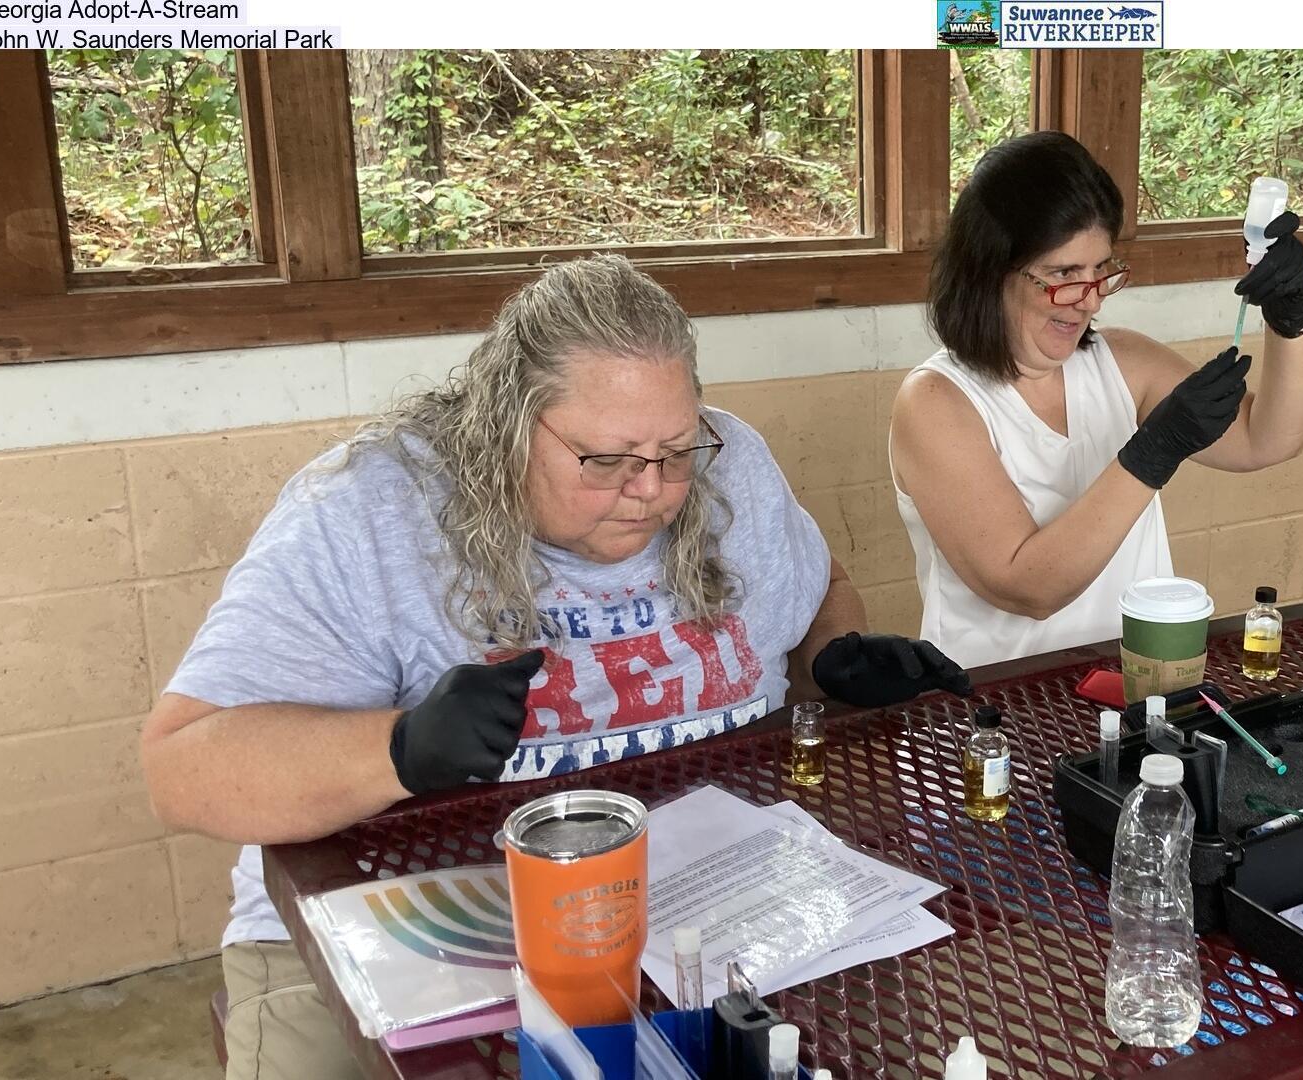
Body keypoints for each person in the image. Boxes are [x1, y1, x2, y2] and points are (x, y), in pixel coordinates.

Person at [139, 255, 970, 1078]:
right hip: (417, 921)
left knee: (901, 1035)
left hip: (702, 902)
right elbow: (183, 765)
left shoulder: (733, 467)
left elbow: (821, 590)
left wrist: (832, 655)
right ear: (507, 424)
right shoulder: (366, 510)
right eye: (606, 461)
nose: (653, 490)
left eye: (676, 451)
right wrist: (398, 749)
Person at [890, 131, 1303, 668]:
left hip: (1138, 684)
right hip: (1000, 713)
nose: (1088, 300)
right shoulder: (937, 401)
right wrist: (1153, 452)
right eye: (1064, 275)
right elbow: (1028, 588)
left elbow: (1267, 439)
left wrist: (1289, 319)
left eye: (1100, 271)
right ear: (990, 270)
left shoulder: (1122, 361)